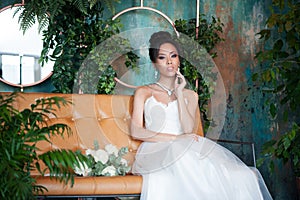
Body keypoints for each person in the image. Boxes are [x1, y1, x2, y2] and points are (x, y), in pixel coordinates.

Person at [130, 31, 272, 200]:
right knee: (180, 153)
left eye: (173, 56)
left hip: (185, 146)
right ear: (154, 63)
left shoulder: (190, 95)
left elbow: (189, 129)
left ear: (179, 59)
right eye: (162, 57)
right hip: (156, 149)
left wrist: (180, 93)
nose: (169, 61)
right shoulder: (144, 92)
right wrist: (175, 139)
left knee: (241, 174)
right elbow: (136, 132)